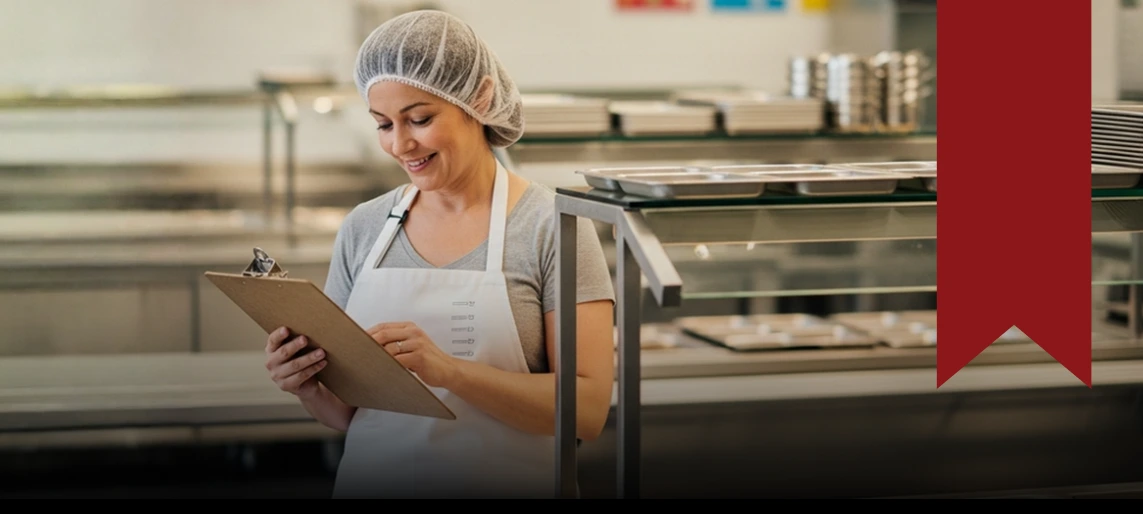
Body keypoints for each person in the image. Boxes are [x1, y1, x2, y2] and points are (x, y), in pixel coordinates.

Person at [261, 9, 616, 499]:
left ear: (479, 99)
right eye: (383, 124)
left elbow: (588, 410)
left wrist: (449, 372)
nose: (400, 144)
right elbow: (346, 413)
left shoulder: (552, 226)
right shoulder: (364, 228)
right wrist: (307, 386)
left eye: (420, 119)